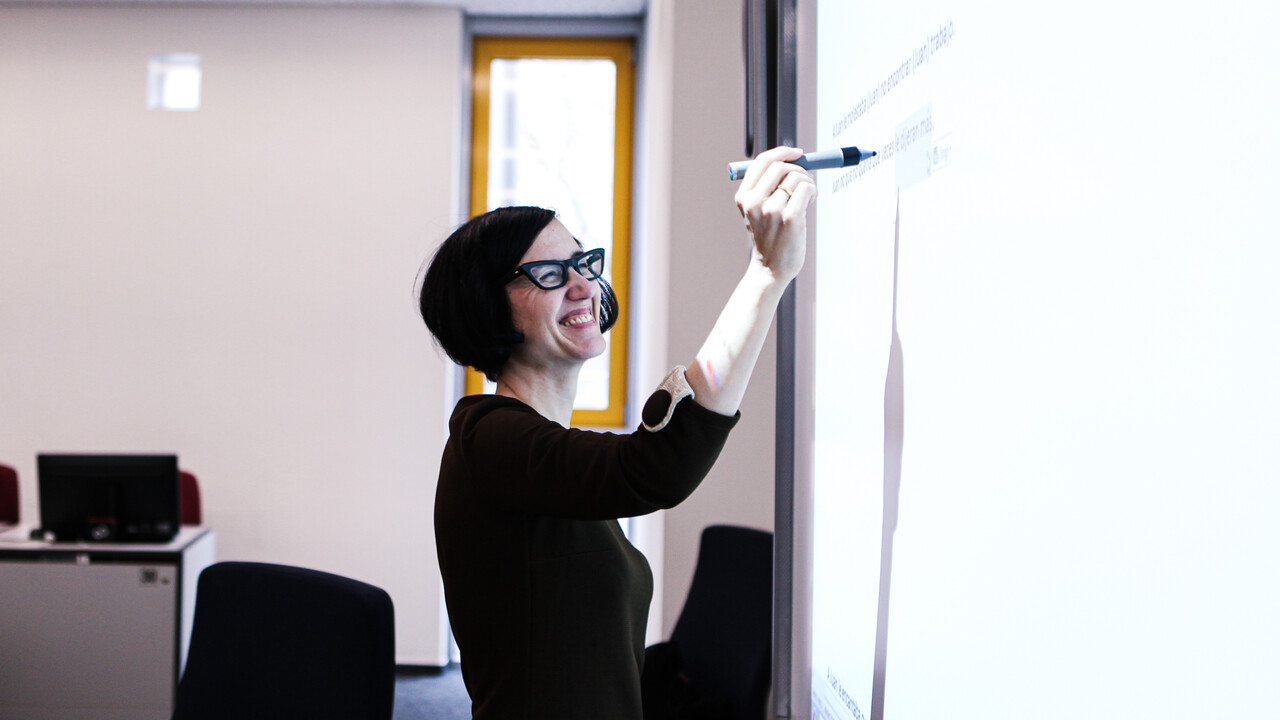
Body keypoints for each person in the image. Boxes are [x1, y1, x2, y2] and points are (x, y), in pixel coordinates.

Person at [417, 147, 816, 720]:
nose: (582, 285)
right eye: (549, 274)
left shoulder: (544, 456)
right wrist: (766, 274)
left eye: (584, 264)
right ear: (487, 306)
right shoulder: (487, 436)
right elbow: (654, 468)